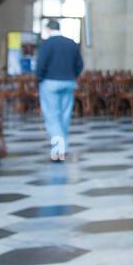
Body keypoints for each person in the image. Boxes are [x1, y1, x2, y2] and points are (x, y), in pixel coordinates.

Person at [35, 19, 83, 161]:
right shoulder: (71, 43)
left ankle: (58, 150)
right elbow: (80, 64)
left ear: (49, 29)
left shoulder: (46, 44)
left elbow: (41, 64)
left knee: (52, 117)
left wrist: (39, 78)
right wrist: (72, 75)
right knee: (64, 116)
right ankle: (64, 146)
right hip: (69, 82)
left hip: (50, 83)